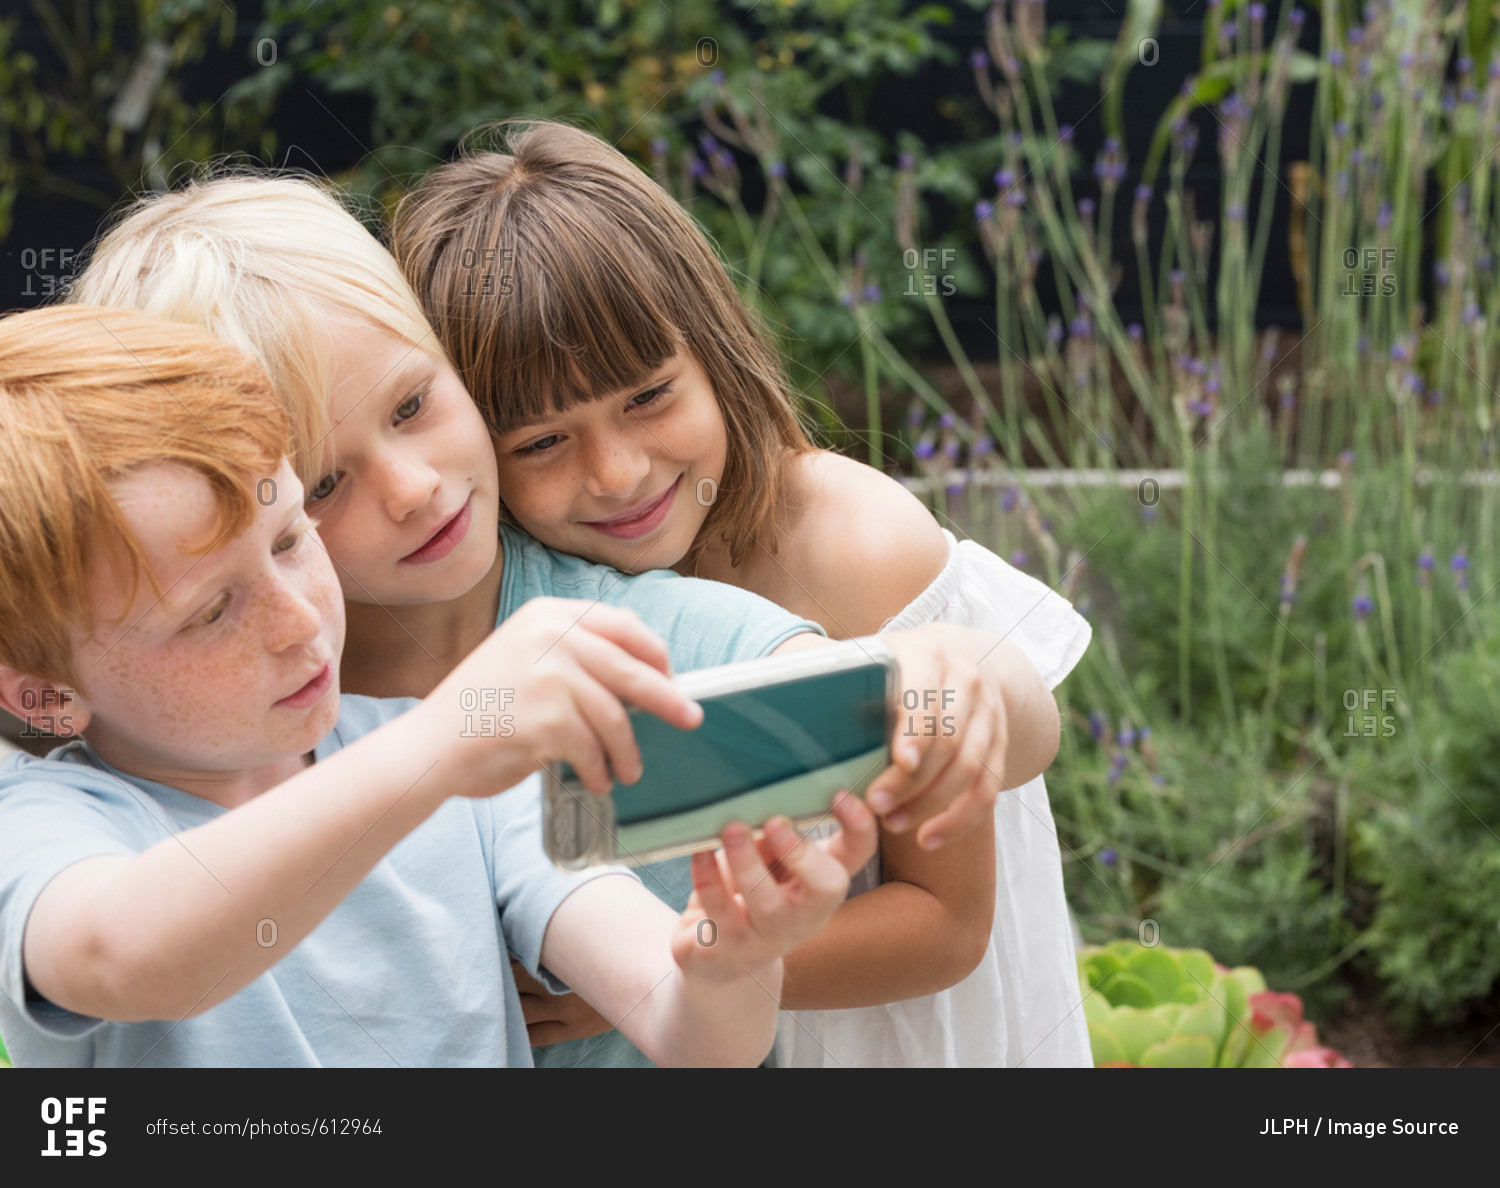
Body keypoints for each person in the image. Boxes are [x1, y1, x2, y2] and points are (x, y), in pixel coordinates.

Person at [69, 172, 1061, 1068]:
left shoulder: (643, 640)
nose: (412, 490)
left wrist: (950, 663)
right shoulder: (207, 733)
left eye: (413, 405)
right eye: (325, 480)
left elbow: (939, 734)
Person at [0, 305, 878, 1068]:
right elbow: (121, 956)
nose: (299, 620)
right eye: (207, 613)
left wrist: (731, 959)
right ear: (41, 690)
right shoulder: (44, 824)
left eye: (286, 541)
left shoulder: (459, 777)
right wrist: (441, 745)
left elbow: (697, 1037)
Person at [387, 120, 1094, 1068]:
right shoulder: (533, 594)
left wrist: (645, 986)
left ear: (711, 348)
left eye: (648, 396)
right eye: (543, 443)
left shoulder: (846, 543)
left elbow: (946, 925)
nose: (620, 472)